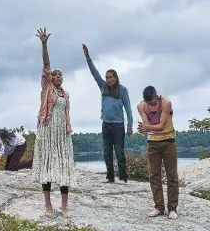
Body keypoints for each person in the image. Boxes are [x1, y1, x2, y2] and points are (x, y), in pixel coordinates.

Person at [32, 28, 77, 217]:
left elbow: (66, 114)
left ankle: (65, 206)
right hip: (48, 131)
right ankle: (48, 206)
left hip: (62, 134)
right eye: (55, 75)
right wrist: (44, 44)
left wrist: (67, 129)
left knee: (64, 167)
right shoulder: (47, 87)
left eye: (60, 75)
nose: (58, 77)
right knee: (48, 167)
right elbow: (46, 64)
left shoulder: (65, 94)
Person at [82, 44, 133, 183]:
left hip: (118, 126)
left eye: (111, 77)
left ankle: (123, 177)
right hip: (106, 124)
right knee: (107, 152)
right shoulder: (103, 87)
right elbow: (94, 73)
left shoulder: (122, 90)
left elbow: (128, 108)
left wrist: (130, 126)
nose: (109, 79)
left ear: (116, 78)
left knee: (119, 152)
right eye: (107, 77)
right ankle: (110, 176)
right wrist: (88, 58)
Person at [137, 86, 179, 220]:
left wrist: (147, 128)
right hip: (153, 143)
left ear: (157, 96)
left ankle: (172, 208)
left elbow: (160, 125)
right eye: (149, 103)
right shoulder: (141, 106)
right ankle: (159, 207)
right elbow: (147, 124)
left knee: (171, 175)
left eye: (154, 102)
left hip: (169, 141)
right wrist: (147, 128)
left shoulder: (166, 102)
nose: (152, 105)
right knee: (154, 175)